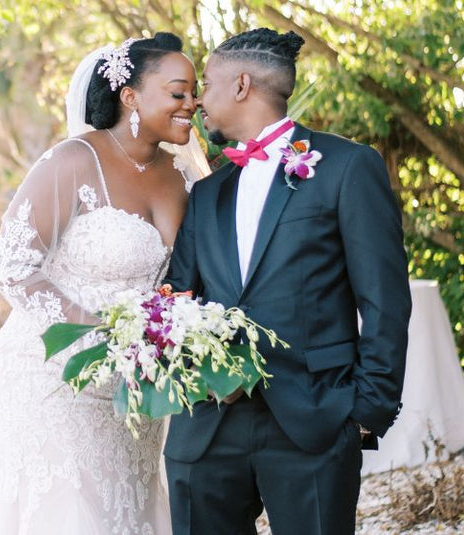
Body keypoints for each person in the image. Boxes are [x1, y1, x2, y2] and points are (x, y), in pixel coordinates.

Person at [163, 28, 412, 534]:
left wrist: (366, 410)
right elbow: (178, 299)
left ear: (240, 86)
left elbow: (385, 298)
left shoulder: (346, 167)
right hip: (208, 430)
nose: (197, 101)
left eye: (206, 84)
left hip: (314, 419)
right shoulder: (207, 192)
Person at [0, 32, 205, 534]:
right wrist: (97, 330)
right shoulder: (75, 160)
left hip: (136, 387)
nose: (193, 103)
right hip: (51, 373)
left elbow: (185, 281)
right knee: (72, 512)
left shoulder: (183, 177)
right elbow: (13, 267)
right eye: (179, 92)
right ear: (131, 95)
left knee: (126, 509)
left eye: (195, 92)